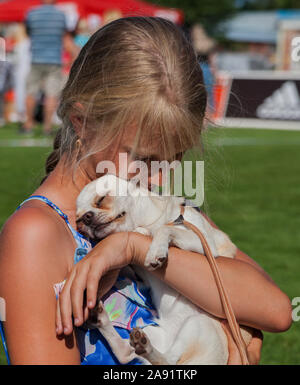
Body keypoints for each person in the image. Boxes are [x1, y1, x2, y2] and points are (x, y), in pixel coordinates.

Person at [0, 17, 291, 365]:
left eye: (175, 158)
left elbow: (275, 311)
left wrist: (133, 247)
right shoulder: (36, 236)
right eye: (143, 158)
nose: (158, 177)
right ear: (82, 123)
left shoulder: (151, 209)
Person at [22, 0, 67, 135]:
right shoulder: (61, 15)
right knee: (51, 94)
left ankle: (28, 124)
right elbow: (64, 35)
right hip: (54, 60)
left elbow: (28, 33)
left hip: (36, 58)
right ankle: (47, 127)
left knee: (31, 92)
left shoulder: (32, 13)